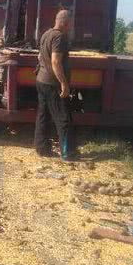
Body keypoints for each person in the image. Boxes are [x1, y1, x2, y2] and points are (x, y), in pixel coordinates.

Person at [34, 9, 76, 160]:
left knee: (43, 115)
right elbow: (55, 62)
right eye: (71, 23)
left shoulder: (46, 34)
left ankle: (42, 148)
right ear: (66, 23)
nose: (71, 26)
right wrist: (64, 83)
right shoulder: (60, 37)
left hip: (41, 81)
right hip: (52, 84)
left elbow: (40, 56)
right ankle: (67, 152)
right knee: (63, 118)